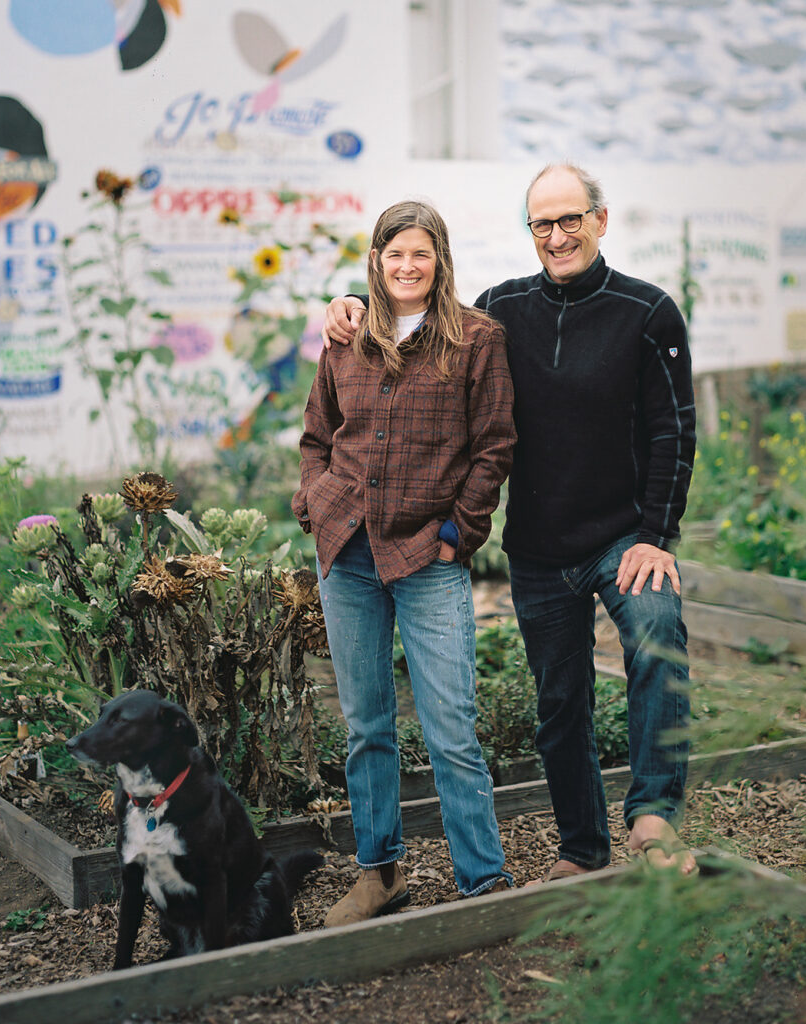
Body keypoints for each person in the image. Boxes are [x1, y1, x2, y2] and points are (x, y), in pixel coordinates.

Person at [322, 164, 698, 879]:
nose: (556, 236)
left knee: (658, 637)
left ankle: (654, 818)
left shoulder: (648, 312)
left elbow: (672, 432)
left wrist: (656, 534)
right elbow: (419, 324)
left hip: (625, 537)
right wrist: (346, 302)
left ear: (600, 220)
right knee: (560, 702)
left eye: (570, 220)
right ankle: (582, 851)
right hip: (540, 546)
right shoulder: (501, 313)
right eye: (542, 224)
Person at [293, 200, 516, 925]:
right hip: (348, 554)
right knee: (366, 726)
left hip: (427, 554)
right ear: (377, 261)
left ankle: (482, 883)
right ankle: (379, 875)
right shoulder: (347, 339)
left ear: (440, 259)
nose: (408, 267)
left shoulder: (477, 340)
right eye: (395, 255)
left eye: (421, 254)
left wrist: (459, 531)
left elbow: (494, 446)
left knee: (451, 725)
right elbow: (317, 436)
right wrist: (313, 504)